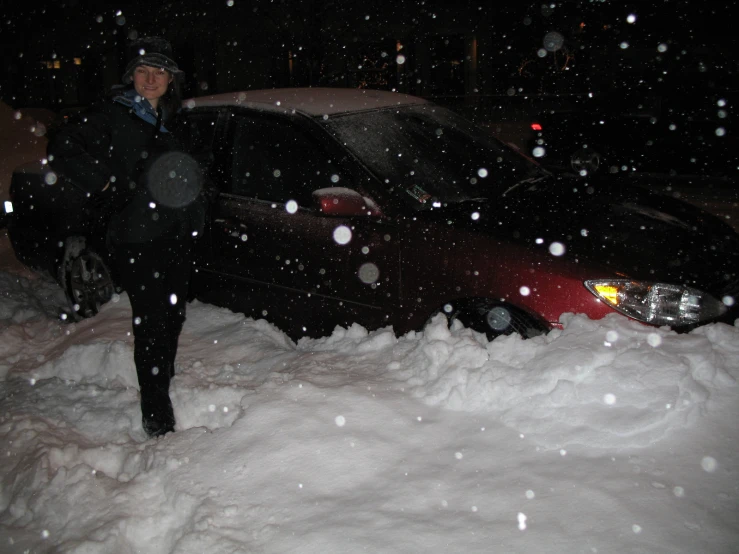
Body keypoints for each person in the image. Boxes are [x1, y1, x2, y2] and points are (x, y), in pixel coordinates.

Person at [47, 37, 205, 438]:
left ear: (172, 79)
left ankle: (161, 377)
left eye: (159, 72)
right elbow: (63, 147)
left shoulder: (177, 118)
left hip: (176, 233)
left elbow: (195, 167)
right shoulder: (112, 114)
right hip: (137, 236)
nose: (150, 79)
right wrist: (104, 184)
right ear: (131, 76)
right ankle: (156, 412)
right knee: (151, 320)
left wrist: (201, 201)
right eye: (142, 71)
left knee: (173, 315)